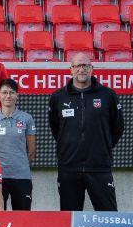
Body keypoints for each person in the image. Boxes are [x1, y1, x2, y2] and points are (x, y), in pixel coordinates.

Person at [48, 53, 124, 211]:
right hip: (68, 167)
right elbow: (56, 129)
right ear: (71, 69)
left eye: (85, 66)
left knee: (108, 215)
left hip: (99, 167)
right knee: (70, 217)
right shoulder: (58, 97)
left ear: (91, 69)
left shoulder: (108, 95)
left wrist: (101, 147)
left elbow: (117, 128)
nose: (81, 69)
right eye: (77, 66)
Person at [0, 78, 37, 211]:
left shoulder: (27, 118)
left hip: (21, 176)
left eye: (12, 92)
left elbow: (31, 150)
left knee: (23, 216)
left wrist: (20, 165)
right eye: (5, 92)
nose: (8, 96)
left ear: (17, 95)